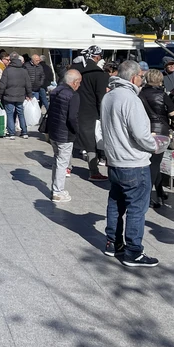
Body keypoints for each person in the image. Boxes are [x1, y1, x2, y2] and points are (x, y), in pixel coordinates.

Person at [101, 60, 159, 267]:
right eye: (141, 77)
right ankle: (133, 251)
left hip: (115, 160)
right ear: (134, 77)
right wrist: (156, 144)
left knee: (116, 202)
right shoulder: (131, 99)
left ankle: (113, 242)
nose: (142, 80)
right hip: (133, 161)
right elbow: (141, 135)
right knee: (136, 207)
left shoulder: (109, 96)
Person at [139, 69, 174, 209]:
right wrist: (171, 128)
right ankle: (148, 197)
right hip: (161, 133)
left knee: (150, 163)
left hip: (143, 131)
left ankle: (159, 191)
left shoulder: (139, 94)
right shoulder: (163, 95)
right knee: (155, 164)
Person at [46, 69, 82, 204]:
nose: (79, 86)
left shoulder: (56, 90)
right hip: (65, 133)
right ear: (74, 82)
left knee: (57, 160)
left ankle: (55, 188)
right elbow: (72, 117)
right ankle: (58, 191)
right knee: (62, 162)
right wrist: (76, 130)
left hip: (54, 131)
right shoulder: (73, 95)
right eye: (79, 83)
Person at [75, 46, 109, 181]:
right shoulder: (99, 74)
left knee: (71, 139)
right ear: (97, 57)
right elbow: (101, 97)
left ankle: (67, 166)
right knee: (91, 142)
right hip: (90, 111)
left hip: (74, 108)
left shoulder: (75, 70)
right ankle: (93, 171)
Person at [0, 52, 32, 140]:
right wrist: (29, 94)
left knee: (9, 113)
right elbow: (28, 84)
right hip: (20, 95)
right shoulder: (24, 71)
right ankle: (24, 132)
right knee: (21, 113)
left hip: (9, 95)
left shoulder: (7, 70)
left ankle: (11, 133)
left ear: (11, 59)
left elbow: (2, 84)